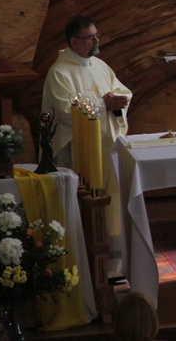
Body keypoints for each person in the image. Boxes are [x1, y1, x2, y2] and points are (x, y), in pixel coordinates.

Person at [42, 15, 132, 276]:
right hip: (78, 151)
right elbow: (65, 109)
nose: (96, 40)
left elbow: (121, 91)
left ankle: (113, 267)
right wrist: (105, 103)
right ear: (74, 42)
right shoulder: (59, 72)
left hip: (106, 147)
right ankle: (84, 266)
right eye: (90, 37)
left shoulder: (100, 65)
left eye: (96, 35)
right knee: (84, 207)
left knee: (111, 204)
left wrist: (117, 102)